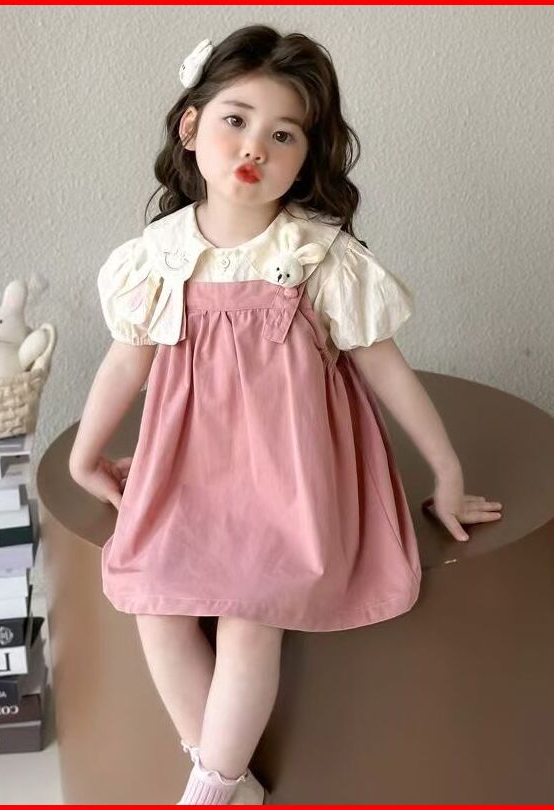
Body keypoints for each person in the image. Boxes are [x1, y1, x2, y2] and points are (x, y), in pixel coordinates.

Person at [69, 25, 503, 805]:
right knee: (155, 608)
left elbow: (385, 367)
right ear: (190, 126)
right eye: (235, 119)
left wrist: (446, 472)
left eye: (283, 134)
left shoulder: (318, 257)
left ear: (307, 155)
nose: (254, 147)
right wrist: (84, 453)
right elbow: (127, 361)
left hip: (289, 477)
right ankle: (229, 780)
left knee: (250, 616)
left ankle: (209, 792)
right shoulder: (157, 257)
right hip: (190, 468)